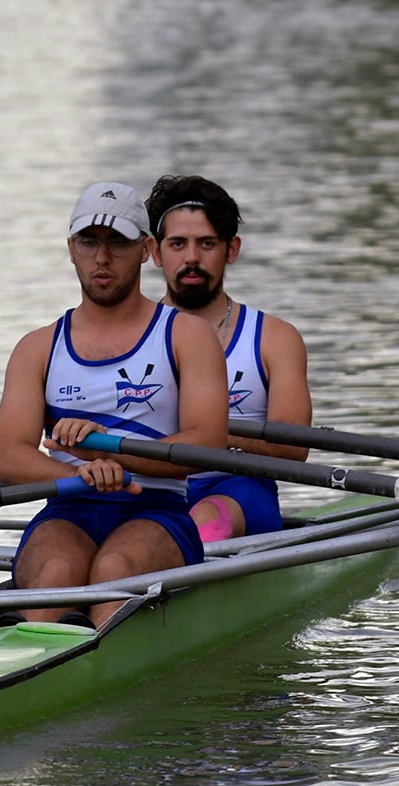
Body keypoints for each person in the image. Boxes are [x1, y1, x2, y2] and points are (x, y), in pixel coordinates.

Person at [0, 181, 229, 628]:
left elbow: (208, 442)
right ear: (70, 248)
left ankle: (86, 657)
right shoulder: (37, 348)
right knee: (57, 573)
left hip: (157, 508)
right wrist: (80, 474)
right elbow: (8, 454)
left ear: (145, 249)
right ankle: (38, 665)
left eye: (117, 242)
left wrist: (113, 449)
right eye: (88, 242)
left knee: (114, 570)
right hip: (67, 506)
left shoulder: (186, 335)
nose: (102, 258)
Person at [145, 175, 312, 542]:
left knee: (205, 518)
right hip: (151, 492)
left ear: (231, 250)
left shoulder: (274, 338)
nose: (191, 258)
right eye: (177, 244)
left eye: (206, 244)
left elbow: (292, 447)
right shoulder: (128, 338)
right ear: (155, 252)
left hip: (238, 492)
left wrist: (210, 437)